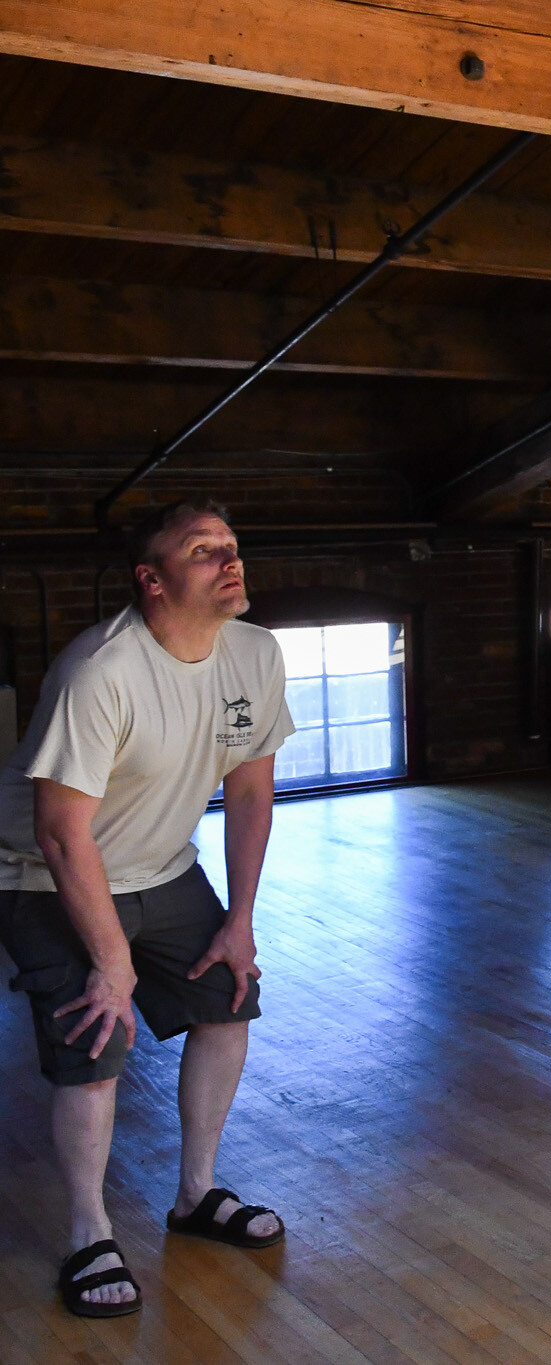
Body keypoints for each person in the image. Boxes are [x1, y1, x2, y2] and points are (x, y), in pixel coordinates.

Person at [0, 499, 292, 1318]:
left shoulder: (255, 652)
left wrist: (239, 919)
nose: (228, 560)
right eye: (202, 550)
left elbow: (250, 791)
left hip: (161, 866)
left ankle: (196, 1195)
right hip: (41, 873)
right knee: (98, 1038)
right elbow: (61, 833)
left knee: (227, 999)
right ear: (152, 579)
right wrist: (111, 961)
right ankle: (88, 1233)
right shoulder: (101, 668)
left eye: (231, 545)